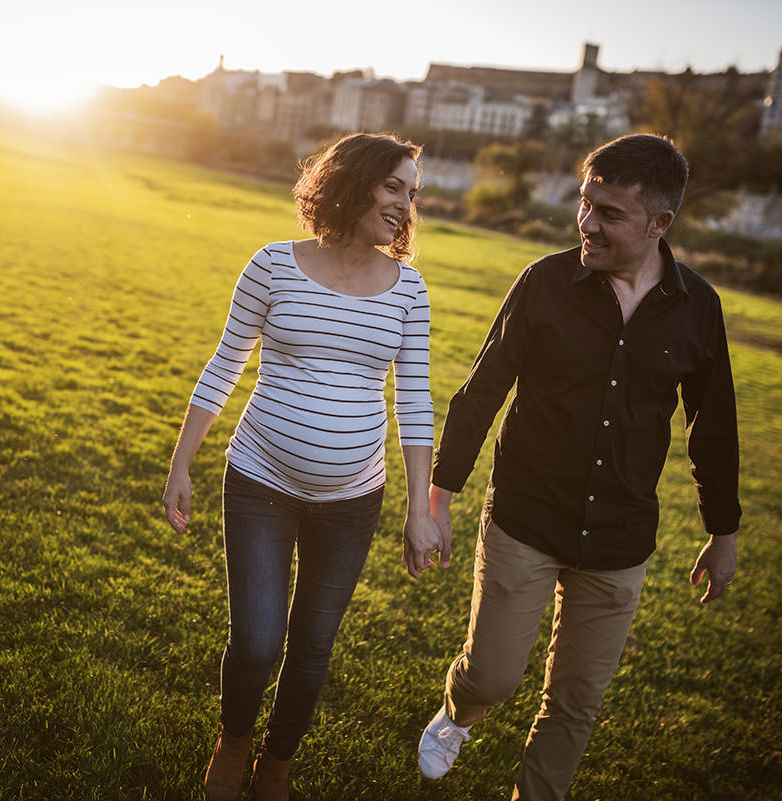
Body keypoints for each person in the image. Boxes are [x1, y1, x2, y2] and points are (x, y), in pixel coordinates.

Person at [416, 134, 741, 800]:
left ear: (659, 224)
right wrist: (438, 499)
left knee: (575, 703)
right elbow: (481, 392)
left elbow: (713, 426)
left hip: (621, 540)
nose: (588, 223)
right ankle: (461, 709)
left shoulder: (699, 308)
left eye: (609, 213)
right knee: (494, 676)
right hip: (525, 519)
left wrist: (724, 530)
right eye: (585, 203)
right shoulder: (544, 282)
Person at [163, 132, 448, 801]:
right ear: (351, 182)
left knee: (313, 643)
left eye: (413, 193)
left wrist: (417, 509)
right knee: (259, 638)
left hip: (353, 499)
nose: (406, 205)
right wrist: (182, 463)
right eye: (394, 187)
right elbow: (224, 363)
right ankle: (234, 739)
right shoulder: (272, 265)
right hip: (260, 478)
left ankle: (276, 764)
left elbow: (414, 400)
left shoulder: (409, 289)